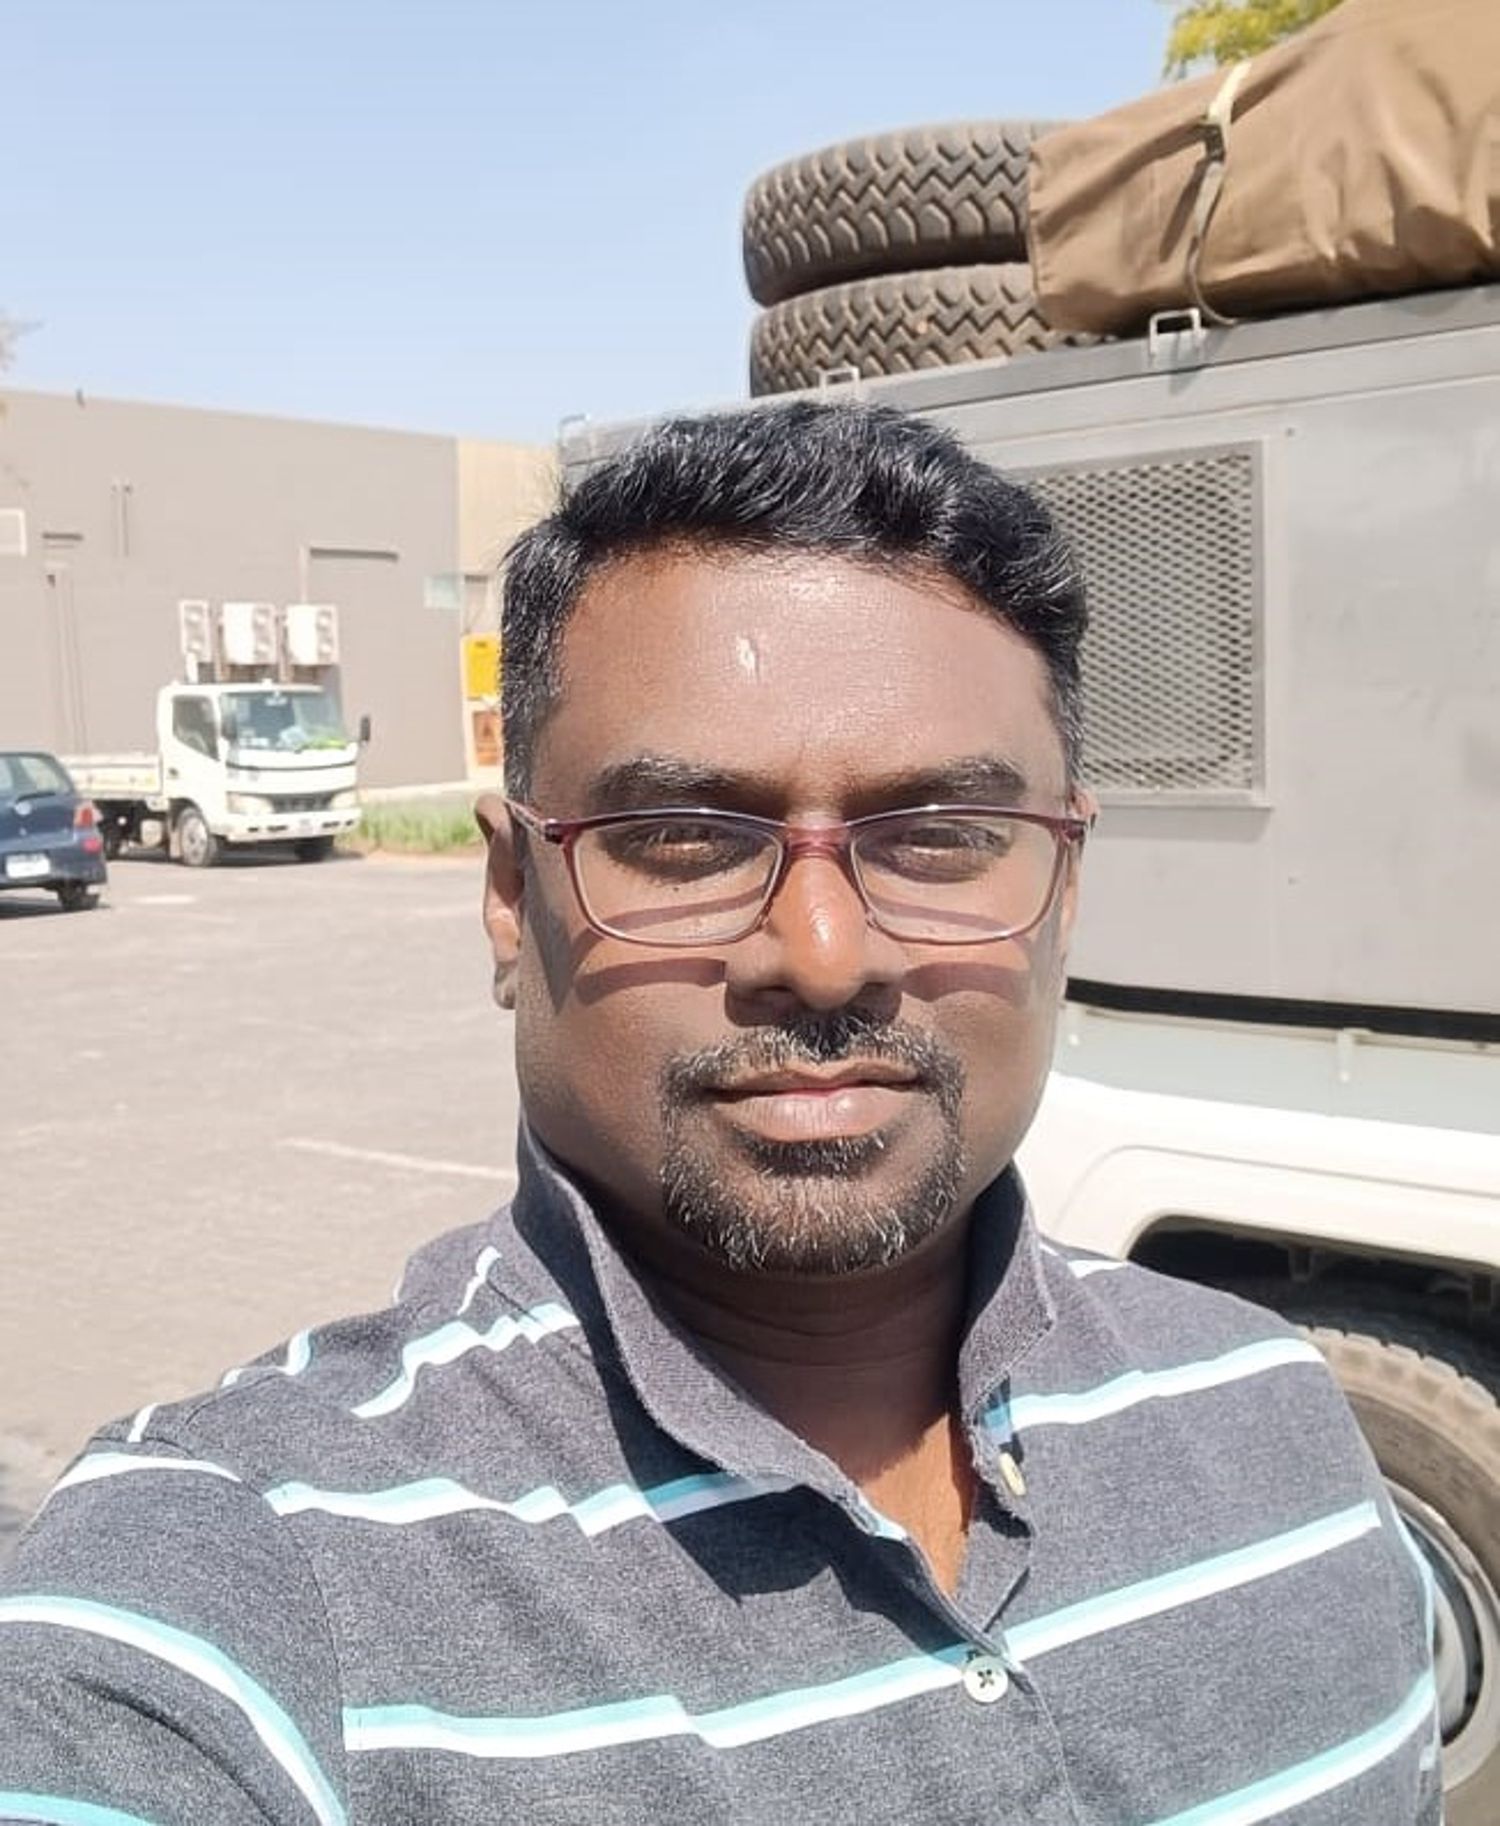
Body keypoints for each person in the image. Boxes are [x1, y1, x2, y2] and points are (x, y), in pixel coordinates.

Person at [0, 403, 1438, 1824]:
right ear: (509, 898)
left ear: (1065, 886)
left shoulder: (1278, 1424)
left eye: (942, 837)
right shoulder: (244, 1579)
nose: (823, 952)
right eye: (684, 840)